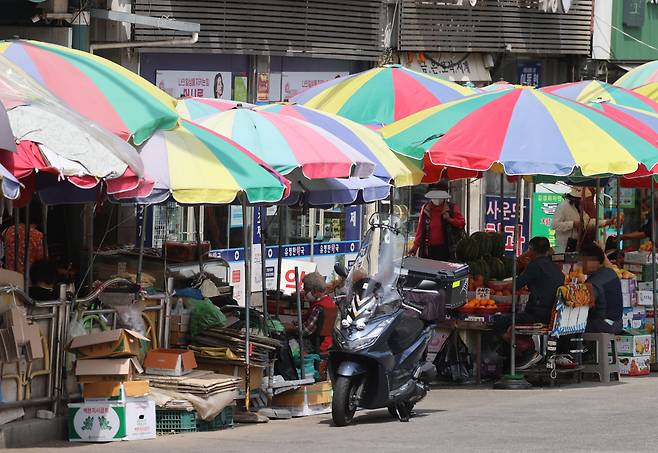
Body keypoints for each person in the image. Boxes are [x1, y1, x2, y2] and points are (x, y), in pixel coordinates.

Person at [493, 236, 565, 370]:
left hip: (537, 315)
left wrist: (496, 286)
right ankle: (522, 351)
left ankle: (527, 350)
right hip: (552, 315)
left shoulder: (535, 265)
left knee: (499, 321)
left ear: (531, 250)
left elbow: (516, 284)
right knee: (511, 323)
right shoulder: (556, 269)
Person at [408, 188, 465, 261]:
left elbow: (462, 223)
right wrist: (415, 247)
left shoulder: (452, 208)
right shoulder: (425, 208)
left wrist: (450, 219)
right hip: (428, 250)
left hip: (447, 249)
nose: (437, 200)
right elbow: (420, 229)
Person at [579, 243, 623, 334]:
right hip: (617, 323)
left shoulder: (593, 282)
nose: (581, 265)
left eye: (583, 261)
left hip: (603, 325)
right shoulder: (611, 272)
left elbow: (584, 304)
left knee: (569, 327)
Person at [288, 272, 337, 354]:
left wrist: (291, 328)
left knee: (287, 343)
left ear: (314, 291)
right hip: (326, 342)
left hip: (316, 344)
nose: (305, 293)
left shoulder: (319, 308)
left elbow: (306, 330)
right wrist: (294, 324)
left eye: (306, 290)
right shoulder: (329, 302)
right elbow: (308, 322)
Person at [552, 188, 612, 253]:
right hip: (563, 247)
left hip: (576, 247)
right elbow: (555, 225)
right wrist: (573, 224)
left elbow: (589, 222)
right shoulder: (563, 206)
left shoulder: (579, 208)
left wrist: (607, 222)